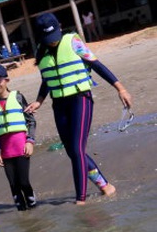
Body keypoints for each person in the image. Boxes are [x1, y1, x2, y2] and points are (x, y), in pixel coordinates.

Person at [24, 13, 133, 205]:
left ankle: (80, 200)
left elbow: (97, 66)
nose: (53, 41)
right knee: (73, 152)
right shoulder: (41, 50)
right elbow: (47, 79)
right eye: (48, 38)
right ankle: (106, 186)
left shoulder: (73, 41)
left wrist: (121, 89)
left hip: (80, 100)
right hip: (59, 104)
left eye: (54, 36)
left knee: (76, 149)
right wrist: (39, 101)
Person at [0, 64, 37, 211]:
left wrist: (30, 141)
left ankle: (33, 208)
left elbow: (31, 121)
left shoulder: (18, 97)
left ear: (6, 80)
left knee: (24, 182)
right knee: (14, 185)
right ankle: (22, 213)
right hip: (5, 152)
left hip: (21, 148)